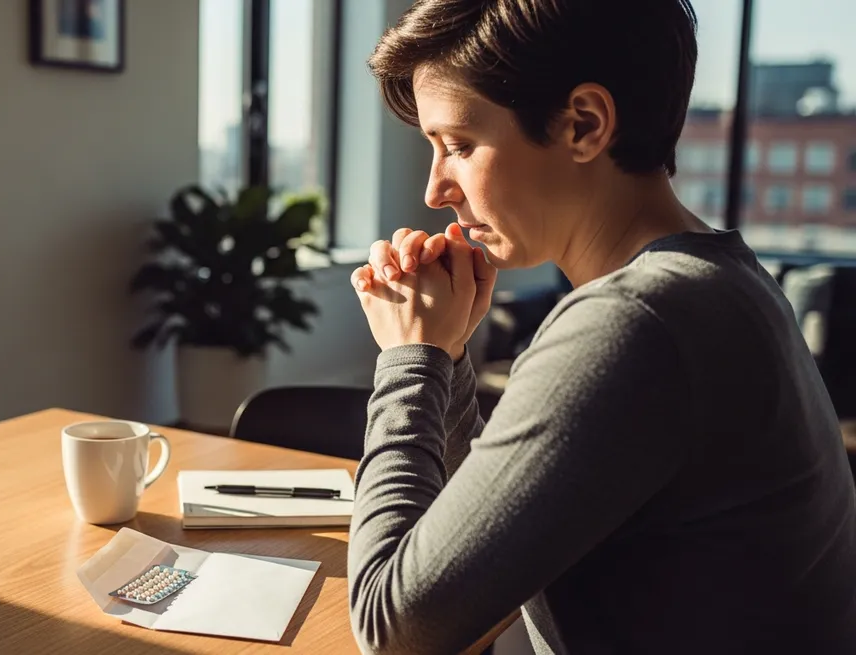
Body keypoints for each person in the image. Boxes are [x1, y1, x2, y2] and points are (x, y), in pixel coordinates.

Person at [345, 1, 856, 653]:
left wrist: (410, 356)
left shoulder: (637, 321)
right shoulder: (721, 277)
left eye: (461, 146)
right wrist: (443, 353)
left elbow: (395, 633)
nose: (436, 189)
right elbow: (471, 543)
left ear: (584, 125)